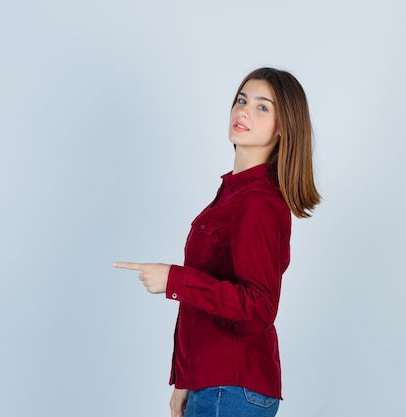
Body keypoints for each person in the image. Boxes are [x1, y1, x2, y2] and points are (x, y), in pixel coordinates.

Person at [113, 67, 320, 417]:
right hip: (212, 385)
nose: (244, 111)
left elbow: (259, 306)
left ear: (284, 128)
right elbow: (210, 302)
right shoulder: (233, 192)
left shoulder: (259, 202)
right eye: (242, 100)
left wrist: (174, 279)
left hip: (232, 391)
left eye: (262, 107)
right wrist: (185, 381)